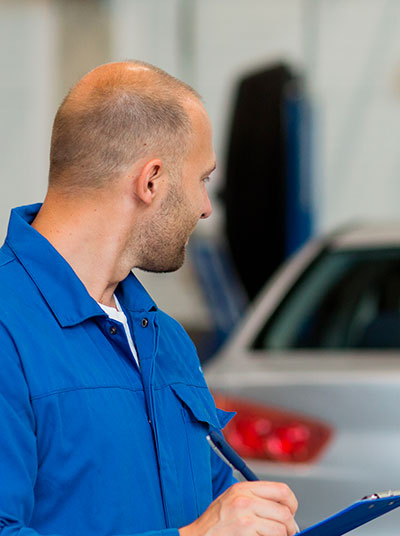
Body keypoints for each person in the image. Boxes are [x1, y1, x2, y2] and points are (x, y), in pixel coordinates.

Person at [0, 61, 298, 536]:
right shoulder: (9, 332)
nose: (205, 207)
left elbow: (205, 501)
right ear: (151, 180)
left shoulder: (164, 338)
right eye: (202, 179)